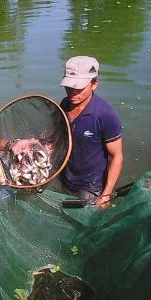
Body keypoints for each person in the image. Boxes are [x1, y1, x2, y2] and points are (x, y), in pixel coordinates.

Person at [59, 56, 123, 206]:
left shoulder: (106, 115)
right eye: (69, 86)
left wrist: (106, 194)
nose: (73, 92)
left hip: (90, 186)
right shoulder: (64, 104)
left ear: (94, 84)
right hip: (65, 177)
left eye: (79, 87)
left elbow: (116, 156)